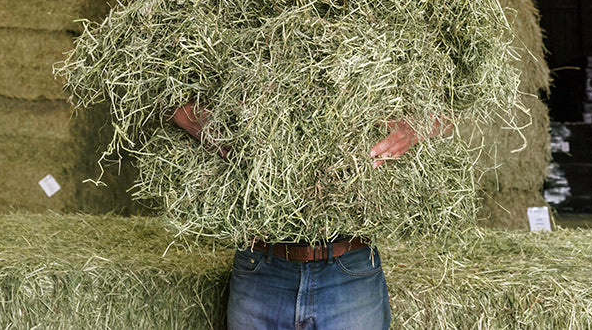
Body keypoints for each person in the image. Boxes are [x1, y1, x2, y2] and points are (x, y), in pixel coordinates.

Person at [171, 101, 451, 330]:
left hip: (349, 269)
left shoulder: (383, 43)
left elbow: (457, 104)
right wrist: (212, 128)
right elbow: (163, 97)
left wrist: (417, 126)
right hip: (261, 266)